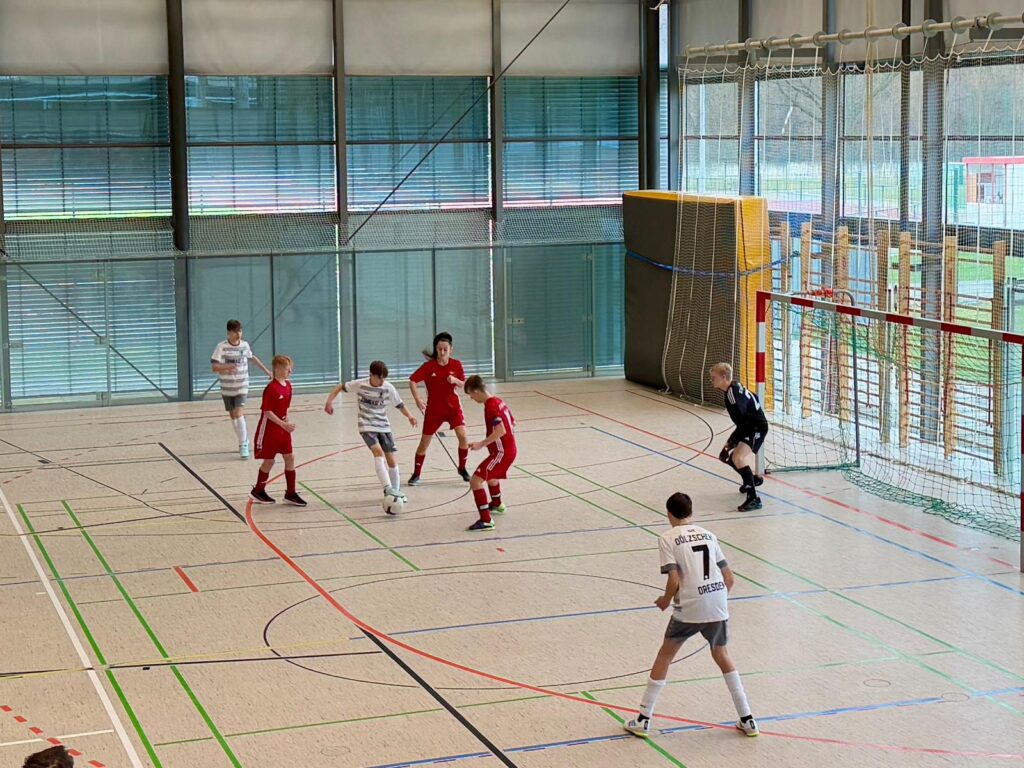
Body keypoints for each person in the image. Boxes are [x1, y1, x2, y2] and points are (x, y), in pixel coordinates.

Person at [624, 492, 758, 739]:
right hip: (717, 603)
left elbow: (674, 579)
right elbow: (729, 578)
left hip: (689, 606)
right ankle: (748, 718)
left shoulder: (667, 538)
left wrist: (665, 600)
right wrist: (715, 601)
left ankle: (643, 719)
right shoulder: (709, 535)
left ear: (668, 513)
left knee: (665, 655)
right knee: (722, 655)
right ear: (691, 511)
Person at [324, 361, 418, 502]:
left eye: (384, 378)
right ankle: (387, 488)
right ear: (371, 375)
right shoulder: (360, 384)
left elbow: (400, 405)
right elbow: (340, 387)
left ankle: (396, 492)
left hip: (383, 426)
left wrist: (410, 416)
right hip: (366, 425)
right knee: (378, 453)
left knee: (392, 460)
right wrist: (329, 402)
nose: (382, 381)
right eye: (379, 378)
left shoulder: (388, 387)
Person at [408, 332, 469, 485]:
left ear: (451, 350)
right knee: (424, 443)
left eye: (445, 349)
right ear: (436, 349)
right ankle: (416, 474)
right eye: (439, 349)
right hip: (434, 410)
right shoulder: (429, 367)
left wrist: (455, 380)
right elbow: (412, 380)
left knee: (463, 437)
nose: (442, 352)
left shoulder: (457, 365)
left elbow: (465, 385)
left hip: (453, 408)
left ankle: (462, 468)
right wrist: (417, 399)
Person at [709, 362, 768, 512]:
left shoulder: (732, 397)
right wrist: (730, 444)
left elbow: (743, 425)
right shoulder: (734, 387)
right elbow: (753, 398)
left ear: (724, 377)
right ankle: (752, 480)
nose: (711, 380)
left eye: (714, 377)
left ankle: (753, 499)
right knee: (729, 457)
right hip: (749, 426)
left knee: (738, 457)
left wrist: (730, 443)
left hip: (756, 428)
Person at [249, 355, 306, 507]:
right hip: (270, 428)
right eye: (288, 369)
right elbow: (267, 411)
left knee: (290, 457)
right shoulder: (271, 388)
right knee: (269, 460)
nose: (290, 371)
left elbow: (285, 407)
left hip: (282, 427)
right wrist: (282, 424)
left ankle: (291, 493)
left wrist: (286, 421)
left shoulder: (288, 386)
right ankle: (258, 491)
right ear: (278, 369)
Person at [211, 319, 271, 459]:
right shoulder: (221, 347)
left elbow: (252, 358)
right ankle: (242, 440)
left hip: (242, 386)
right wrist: (227, 367)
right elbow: (214, 367)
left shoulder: (244, 345)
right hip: (227, 387)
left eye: (240, 331)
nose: (238, 334)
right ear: (229, 333)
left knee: (239, 413)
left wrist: (266, 371)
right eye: (235, 331)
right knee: (233, 416)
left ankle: (243, 444)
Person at [464, 376, 517, 531]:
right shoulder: (499, 401)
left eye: (470, 395)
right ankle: (497, 504)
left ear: (475, 391)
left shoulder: (491, 406)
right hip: (508, 450)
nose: (471, 398)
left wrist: (481, 444)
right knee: (491, 477)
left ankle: (486, 520)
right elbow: (513, 422)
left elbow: (501, 430)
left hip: (502, 453)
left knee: (475, 481)